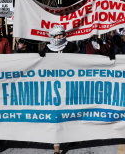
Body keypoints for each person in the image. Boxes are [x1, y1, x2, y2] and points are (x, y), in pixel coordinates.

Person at [39, 25, 78, 154]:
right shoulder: (47, 49)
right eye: (57, 35)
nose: (59, 37)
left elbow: (80, 62)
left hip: (69, 86)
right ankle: (56, 147)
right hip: (53, 88)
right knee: (55, 117)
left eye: (61, 34)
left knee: (69, 114)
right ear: (52, 37)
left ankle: (71, 136)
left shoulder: (71, 47)